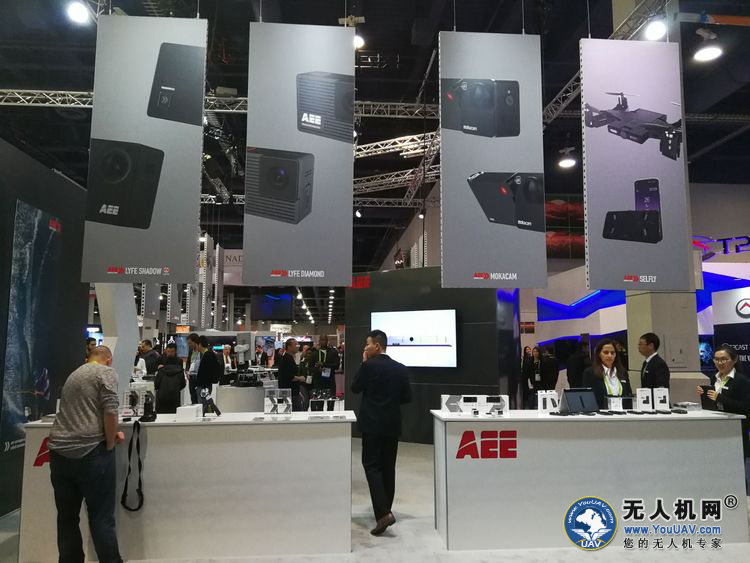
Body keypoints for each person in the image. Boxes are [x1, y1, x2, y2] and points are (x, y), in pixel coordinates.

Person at [47, 346, 124, 563]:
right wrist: (110, 441)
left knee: (67, 517)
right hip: (91, 452)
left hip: (59, 452)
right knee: (101, 517)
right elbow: (110, 411)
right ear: (109, 359)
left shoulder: (75, 374)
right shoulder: (105, 372)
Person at [352, 330, 412, 536]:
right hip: (392, 425)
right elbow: (407, 397)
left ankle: (384, 513)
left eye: (367, 344)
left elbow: (355, 387)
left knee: (371, 465)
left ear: (377, 346)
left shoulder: (368, 366)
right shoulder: (401, 368)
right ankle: (385, 510)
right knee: (388, 467)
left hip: (372, 425)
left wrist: (363, 363)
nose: (365, 348)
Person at [696, 345, 750, 492]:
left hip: (735, 431)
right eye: (717, 359)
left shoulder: (741, 381)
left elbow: (745, 407)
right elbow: (714, 404)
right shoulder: (714, 377)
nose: (720, 363)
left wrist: (719, 397)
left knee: (736, 469)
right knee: (718, 468)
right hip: (717, 429)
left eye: (724, 359)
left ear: (734, 360)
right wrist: (705, 393)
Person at [582, 339, 633, 409]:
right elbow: (587, 399)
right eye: (606, 352)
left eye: (612, 353)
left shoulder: (622, 372)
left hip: (622, 413)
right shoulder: (590, 373)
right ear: (599, 354)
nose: (609, 355)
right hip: (601, 414)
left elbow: (629, 396)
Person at [277, 338, 306, 411]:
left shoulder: (289, 358)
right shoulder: (287, 359)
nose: (298, 346)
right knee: (295, 414)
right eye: (295, 344)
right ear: (289, 347)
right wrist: (300, 378)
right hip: (290, 395)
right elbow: (289, 377)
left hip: (292, 393)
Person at [194, 335, 221, 402]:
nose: (196, 348)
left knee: (204, 404)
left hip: (204, 386)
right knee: (204, 403)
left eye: (196, 345)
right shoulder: (206, 354)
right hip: (204, 385)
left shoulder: (208, 355)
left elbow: (207, 372)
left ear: (200, 344)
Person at [187, 333, 201, 404]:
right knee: (193, 397)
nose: (189, 345)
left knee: (200, 398)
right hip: (191, 378)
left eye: (190, 343)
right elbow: (188, 363)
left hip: (199, 378)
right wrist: (187, 371)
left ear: (195, 342)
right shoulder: (190, 351)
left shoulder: (202, 352)